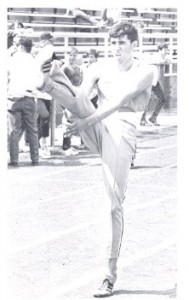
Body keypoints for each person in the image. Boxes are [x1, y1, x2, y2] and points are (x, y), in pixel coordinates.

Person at [38, 21, 153, 297]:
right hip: (96, 122)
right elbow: (81, 97)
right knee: (76, 102)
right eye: (113, 42)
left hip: (122, 130)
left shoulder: (147, 71)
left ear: (134, 45)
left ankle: (109, 274)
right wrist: (70, 109)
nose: (116, 48)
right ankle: (48, 80)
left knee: (113, 204)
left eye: (121, 43)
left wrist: (84, 120)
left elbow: (119, 102)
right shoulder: (100, 67)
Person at [7, 37, 40, 167]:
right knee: (32, 130)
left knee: (13, 130)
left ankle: (14, 159)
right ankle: (35, 158)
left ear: (20, 46)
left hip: (14, 96)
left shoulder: (13, 59)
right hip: (29, 96)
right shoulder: (34, 61)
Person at [140, 43, 170, 126]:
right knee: (146, 100)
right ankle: (142, 119)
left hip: (155, 82)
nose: (167, 51)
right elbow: (149, 60)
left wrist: (165, 61)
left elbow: (166, 61)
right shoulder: (155, 56)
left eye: (167, 50)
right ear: (160, 50)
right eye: (165, 50)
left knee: (162, 98)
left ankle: (153, 118)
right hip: (149, 81)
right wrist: (160, 61)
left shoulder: (164, 57)